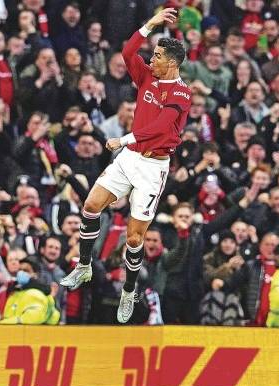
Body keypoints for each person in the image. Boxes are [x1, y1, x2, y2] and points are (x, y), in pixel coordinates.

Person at [60, 8, 192, 323]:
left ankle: (129, 291)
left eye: (157, 56)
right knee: (90, 206)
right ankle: (84, 265)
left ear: (171, 63)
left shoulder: (182, 93)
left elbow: (162, 126)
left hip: (152, 166)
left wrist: (126, 139)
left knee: (134, 239)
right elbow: (127, 51)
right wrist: (151, 24)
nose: (151, 59)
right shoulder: (147, 76)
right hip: (130, 158)